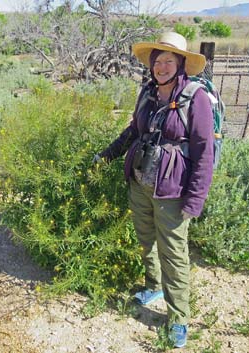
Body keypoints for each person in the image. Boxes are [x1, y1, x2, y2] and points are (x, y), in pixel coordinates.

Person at [93, 32, 214, 348]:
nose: (161, 67)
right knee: (146, 239)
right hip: (140, 183)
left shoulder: (195, 97)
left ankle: (178, 318)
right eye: (157, 61)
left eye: (168, 61)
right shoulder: (147, 93)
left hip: (172, 191)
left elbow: (204, 151)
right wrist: (108, 154)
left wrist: (196, 198)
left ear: (181, 64)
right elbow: (134, 130)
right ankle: (153, 285)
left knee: (173, 252)